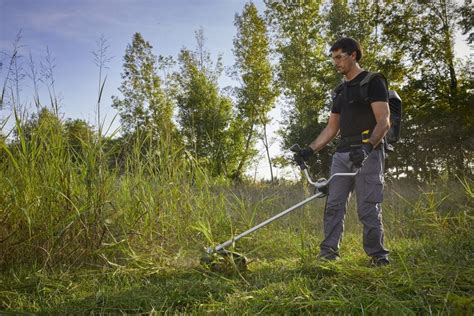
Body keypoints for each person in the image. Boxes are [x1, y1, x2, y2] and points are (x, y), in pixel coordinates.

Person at [296, 37, 390, 266]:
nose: (335, 62)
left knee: (368, 208)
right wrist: (308, 151)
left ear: (353, 55)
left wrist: (368, 149)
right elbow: (331, 128)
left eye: (339, 57)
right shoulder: (340, 91)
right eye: (333, 58)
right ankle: (328, 254)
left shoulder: (373, 81)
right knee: (334, 206)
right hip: (342, 155)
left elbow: (384, 121)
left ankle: (378, 256)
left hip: (368, 153)